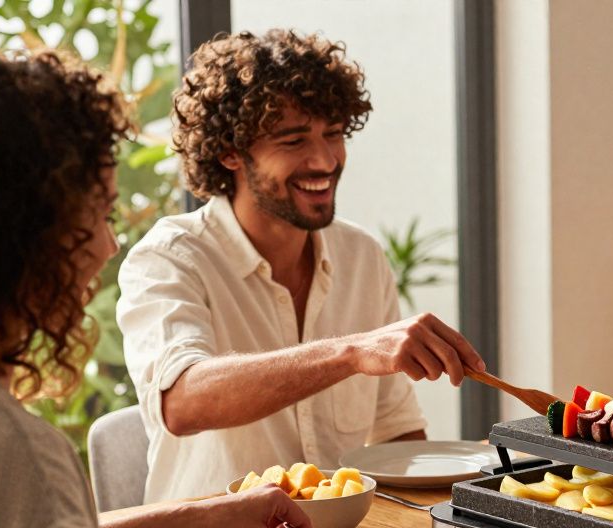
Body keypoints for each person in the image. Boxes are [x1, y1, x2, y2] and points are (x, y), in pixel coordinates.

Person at [0, 49, 419, 528]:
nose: (107, 247)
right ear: (26, 235)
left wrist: (196, 514)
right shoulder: (13, 451)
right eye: (95, 214)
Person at [118, 30, 484, 502]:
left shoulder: (361, 257)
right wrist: (351, 353)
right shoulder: (169, 258)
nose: (325, 160)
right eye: (293, 140)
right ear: (230, 152)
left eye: (333, 134)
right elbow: (183, 400)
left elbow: (397, 433)